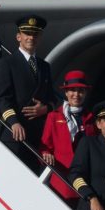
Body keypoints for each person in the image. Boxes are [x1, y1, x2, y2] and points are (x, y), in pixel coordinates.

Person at [0, 14, 56, 165]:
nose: (31, 38)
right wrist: (13, 122)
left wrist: (45, 108)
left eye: (35, 34)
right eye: (27, 33)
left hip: (38, 136)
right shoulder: (7, 63)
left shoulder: (44, 66)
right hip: (15, 133)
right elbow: (2, 97)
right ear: (18, 37)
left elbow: (53, 98)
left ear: (39, 38)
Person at [40, 70, 96, 201]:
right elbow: (44, 146)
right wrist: (46, 154)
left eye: (81, 91)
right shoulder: (53, 116)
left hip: (84, 182)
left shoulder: (92, 119)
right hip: (60, 180)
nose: (76, 94)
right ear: (66, 92)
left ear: (86, 93)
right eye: (72, 90)